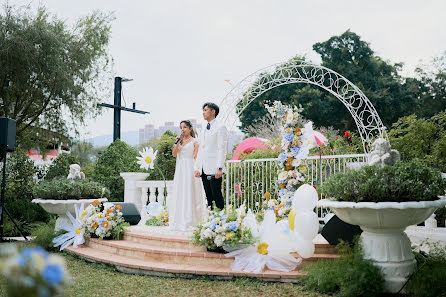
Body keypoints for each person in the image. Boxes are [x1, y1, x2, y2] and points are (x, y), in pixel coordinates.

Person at [169, 120, 205, 231]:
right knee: (180, 192)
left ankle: (190, 220)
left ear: (190, 128)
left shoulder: (195, 141)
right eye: (181, 127)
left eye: (185, 127)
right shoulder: (179, 141)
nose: (182, 129)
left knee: (189, 191)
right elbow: (174, 154)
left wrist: (197, 169)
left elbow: (196, 157)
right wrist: (177, 142)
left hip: (190, 167)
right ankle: (179, 220)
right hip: (180, 169)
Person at [194, 102, 228, 210]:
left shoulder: (220, 127)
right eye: (203, 110)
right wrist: (198, 167)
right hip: (204, 168)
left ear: (213, 112)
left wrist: (219, 167)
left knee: (216, 195)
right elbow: (201, 150)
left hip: (214, 168)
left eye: (205, 110)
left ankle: (221, 221)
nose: (203, 113)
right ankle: (210, 222)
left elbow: (221, 148)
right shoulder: (203, 129)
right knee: (208, 197)